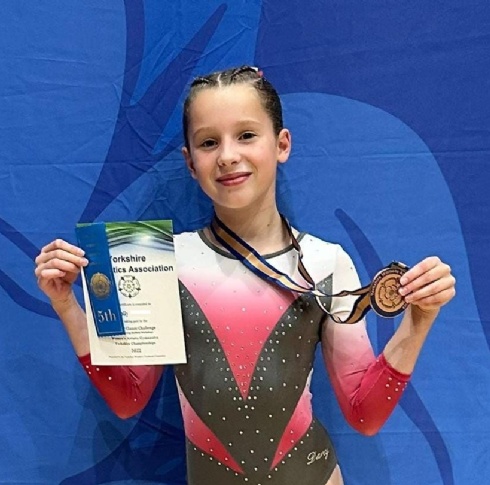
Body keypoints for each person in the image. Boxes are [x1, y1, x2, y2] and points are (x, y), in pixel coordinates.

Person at [34, 66, 456, 485]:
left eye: (247, 135)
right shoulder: (158, 261)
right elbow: (128, 398)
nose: (227, 156)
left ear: (282, 144)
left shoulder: (325, 262)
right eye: (208, 142)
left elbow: (365, 414)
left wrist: (419, 320)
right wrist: (66, 304)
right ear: (190, 162)